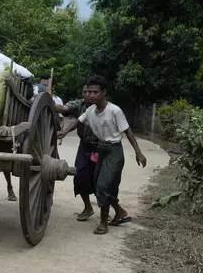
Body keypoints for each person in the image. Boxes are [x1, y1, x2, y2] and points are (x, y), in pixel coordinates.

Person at [59, 75, 147, 235]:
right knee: (101, 184)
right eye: (89, 92)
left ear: (104, 92)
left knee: (102, 185)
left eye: (95, 92)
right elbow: (77, 122)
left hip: (114, 151)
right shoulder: (90, 110)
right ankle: (120, 212)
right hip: (100, 150)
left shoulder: (114, 111)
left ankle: (102, 223)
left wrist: (138, 152)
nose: (91, 95)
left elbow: (127, 130)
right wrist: (64, 132)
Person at [56, 81, 98, 221]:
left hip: (100, 148)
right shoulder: (79, 104)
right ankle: (88, 207)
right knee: (79, 177)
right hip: (84, 146)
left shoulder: (103, 107)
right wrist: (48, 102)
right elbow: (65, 110)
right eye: (85, 92)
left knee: (101, 180)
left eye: (91, 92)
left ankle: (105, 209)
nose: (88, 94)